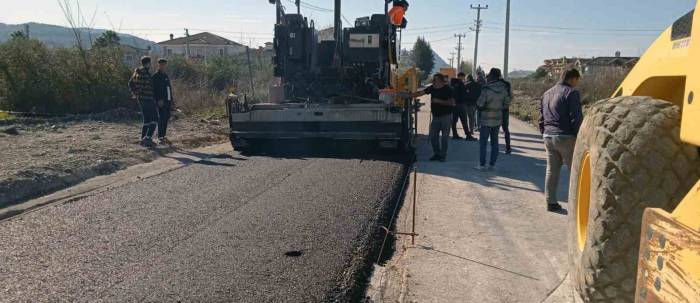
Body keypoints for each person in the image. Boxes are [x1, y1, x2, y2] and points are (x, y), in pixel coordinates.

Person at [539, 68, 583, 212]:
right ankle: (576, 206)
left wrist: (544, 133)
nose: (577, 83)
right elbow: (576, 118)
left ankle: (550, 202)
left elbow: (541, 119)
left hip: (548, 136)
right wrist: (580, 137)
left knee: (552, 170)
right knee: (575, 171)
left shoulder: (546, 93)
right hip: (565, 136)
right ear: (572, 79)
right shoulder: (572, 93)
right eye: (577, 80)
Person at [410, 73, 456, 162]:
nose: (434, 82)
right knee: (433, 136)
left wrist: (439, 101)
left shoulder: (448, 89)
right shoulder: (432, 88)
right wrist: (409, 95)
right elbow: (421, 93)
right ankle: (437, 154)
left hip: (446, 116)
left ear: (441, 81)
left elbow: (452, 103)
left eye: (435, 80)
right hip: (436, 117)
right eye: (433, 80)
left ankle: (443, 156)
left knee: (444, 137)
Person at [475, 68, 511, 171]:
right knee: (495, 142)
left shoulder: (486, 89)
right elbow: (507, 103)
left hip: (486, 119)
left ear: (491, 76)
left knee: (483, 143)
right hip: (497, 119)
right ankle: (492, 165)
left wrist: (480, 106)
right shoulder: (504, 88)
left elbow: (480, 104)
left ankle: (482, 165)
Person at [128, 56, 157, 147]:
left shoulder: (136, 73)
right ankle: (147, 138)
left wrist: (136, 94)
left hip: (141, 99)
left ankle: (143, 139)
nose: (150, 65)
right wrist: (140, 93)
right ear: (147, 63)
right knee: (155, 119)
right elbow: (144, 86)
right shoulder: (144, 73)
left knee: (147, 120)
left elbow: (130, 83)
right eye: (150, 63)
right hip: (147, 98)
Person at [152, 58, 174, 145]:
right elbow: (154, 90)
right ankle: (160, 137)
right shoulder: (155, 76)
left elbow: (169, 88)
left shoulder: (165, 75)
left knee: (166, 118)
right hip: (161, 101)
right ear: (159, 65)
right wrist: (158, 100)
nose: (163, 66)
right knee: (161, 118)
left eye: (164, 65)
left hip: (168, 101)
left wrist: (172, 100)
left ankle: (163, 136)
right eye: (161, 65)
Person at [451, 72, 476, 141]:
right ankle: (468, 135)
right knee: (464, 120)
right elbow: (464, 94)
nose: (464, 79)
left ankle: (455, 134)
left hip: (454, 105)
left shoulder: (452, 83)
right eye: (464, 77)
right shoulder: (460, 83)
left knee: (454, 121)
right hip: (461, 104)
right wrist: (467, 93)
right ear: (461, 76)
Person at [499, 75, 513, 154]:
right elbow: (511, 96)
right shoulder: (507, 84)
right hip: (505, 109)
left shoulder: (494, 85)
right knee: (505, 129)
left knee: (494, 129)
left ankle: (495, 148)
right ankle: (508, 148)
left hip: (496, 109)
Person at [464, 74, 481, 138]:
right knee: (472, 117)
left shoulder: (467, 85)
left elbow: (463, 92)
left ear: (468, 78)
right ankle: (471, 129)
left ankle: (470, 130)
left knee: (469, 117)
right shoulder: (478, 85)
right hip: (475, 103)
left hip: (468, 103)